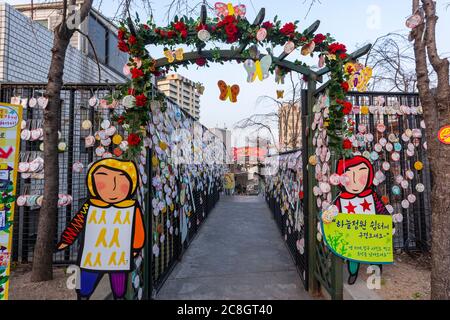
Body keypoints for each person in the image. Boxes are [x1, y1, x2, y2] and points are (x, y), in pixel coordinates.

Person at [57, 159, 145, 300]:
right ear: (94, 184)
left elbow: (138, 229)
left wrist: (135, 247)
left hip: (119, 256)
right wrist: (66, 240)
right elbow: (77, 223)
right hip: (92, 255)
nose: (113, 188)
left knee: (119, 289)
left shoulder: (131, 208)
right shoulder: (90, 205)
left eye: (120, 183)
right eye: (104, 183)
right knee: (85, 287)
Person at [334, 156, 389, 285]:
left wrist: (388, 223)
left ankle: (376, 272)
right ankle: (353, 273)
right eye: (349, 175)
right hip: (351, 233)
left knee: (374, 252)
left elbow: (381, 209)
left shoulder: (372, 196)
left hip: (371, 232)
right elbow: (334, 212)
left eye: (361, 174)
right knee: (352, 256)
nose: (355, 180)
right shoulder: (341, 199)